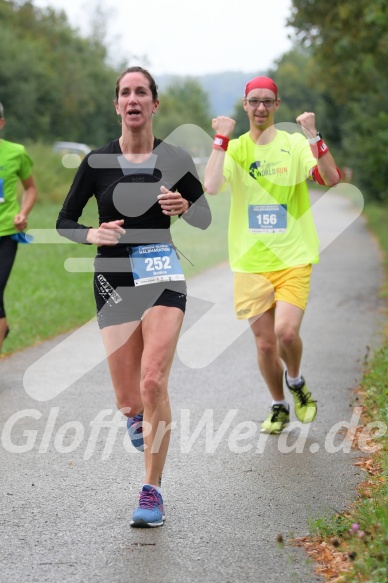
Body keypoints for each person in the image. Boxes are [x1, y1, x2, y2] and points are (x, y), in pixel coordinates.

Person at [56, 66, 211, 527]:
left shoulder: (176, 158)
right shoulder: (97, 162)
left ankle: (152, 492)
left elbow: (202, 216)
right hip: (114, 279)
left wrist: (184, 207)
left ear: (154, 104)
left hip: (162, 271)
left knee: (152, 381)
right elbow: (65, 220)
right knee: (130, 401)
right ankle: (137, 418)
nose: (133, 99)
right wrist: (92, 235)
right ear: (117, 105)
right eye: (125, 93)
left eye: (141, 91)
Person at [204, 76, 340, 434]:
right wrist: (220, 140)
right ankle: (278, 405)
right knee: (265, 345)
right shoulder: (235, 149)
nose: (261, 108)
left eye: (268, 101)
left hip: (293, 257)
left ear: (277, 105)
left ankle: (296, 382)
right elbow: (213, 186)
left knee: (286, 334)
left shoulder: (294, 145)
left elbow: (331, 178)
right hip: (251, 264)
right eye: (254, 101)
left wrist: (314, 135)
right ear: (245, 105)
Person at [0, 102, 37, 354]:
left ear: (1, 123)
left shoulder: (16, 152)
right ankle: (3, 327)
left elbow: (31, 188)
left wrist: (23, 213)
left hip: (6, 235)